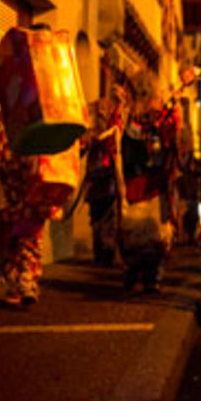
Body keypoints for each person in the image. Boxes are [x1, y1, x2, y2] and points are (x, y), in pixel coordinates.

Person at [0, 104, 73, 305]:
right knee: (10, 239)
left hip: (22, 190)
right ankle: (19, 282)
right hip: (8, 191)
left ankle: (25, 281)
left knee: (25, 237)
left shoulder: (29, 112)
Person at [120, 71, 181, 294]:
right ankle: (133, 271)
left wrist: (169, 122)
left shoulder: (164, 118)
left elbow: (172, 143)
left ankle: (152, 276)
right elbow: (127, 140)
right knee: (133, 233)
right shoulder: (128, 116)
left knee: (157, 234)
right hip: (135, 180)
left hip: (156, 181)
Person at [82, 88, 127, 267]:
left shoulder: (114, 125)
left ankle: (107, 251)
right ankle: (101, 251)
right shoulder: (93, 130)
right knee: (97, 216)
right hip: (96, 176)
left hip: (109, 175)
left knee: (108, 215)